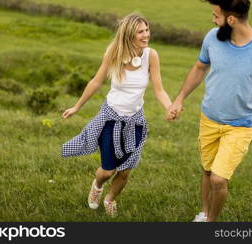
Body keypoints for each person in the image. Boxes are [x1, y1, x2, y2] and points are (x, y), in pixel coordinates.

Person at [167, 0, 252, 222]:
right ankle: (204, 213)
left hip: (240, 125)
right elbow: (200, 68)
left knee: (220, 178)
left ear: (231, 19)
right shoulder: (213, 37)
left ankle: (211, 223)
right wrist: (179, 98)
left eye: (216, 16)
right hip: (209, 118)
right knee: (208, 171)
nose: (213, 20)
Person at [61, 13, 172, 217]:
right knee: (108, 170)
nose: (146, 34)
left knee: (125, 170)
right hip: (111, 119)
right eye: (141, 31)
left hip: (135, 121)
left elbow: (159, 89)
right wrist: (77, 107)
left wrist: (169, 107)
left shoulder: (151, 55)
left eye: (147, 29)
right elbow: (96, 81)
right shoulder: (114, 53)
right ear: (130, 34)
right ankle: (97, 186)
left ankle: (110, 199)